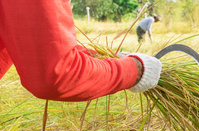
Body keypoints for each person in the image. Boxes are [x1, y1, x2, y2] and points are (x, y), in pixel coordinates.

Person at [0, 0, 161, 102]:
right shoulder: (149, 20)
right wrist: (136, 69)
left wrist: (104, 58)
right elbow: (58, 73)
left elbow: (30, 40)